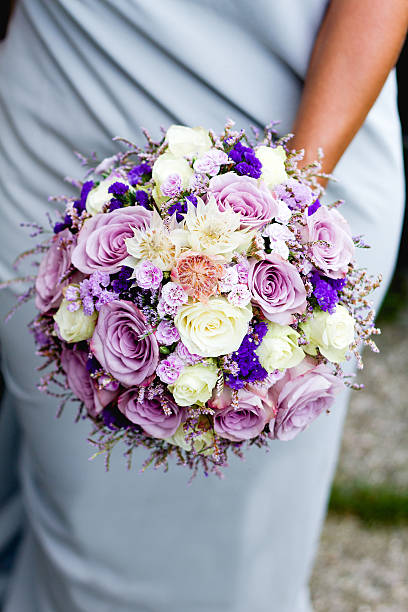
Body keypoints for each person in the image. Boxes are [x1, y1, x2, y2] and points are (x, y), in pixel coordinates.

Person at [0, 1, 406, 611]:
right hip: (68, 90)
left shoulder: (293, 206)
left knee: (231, 553)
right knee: (75, 502)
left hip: (309, 133)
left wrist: (287, 218)